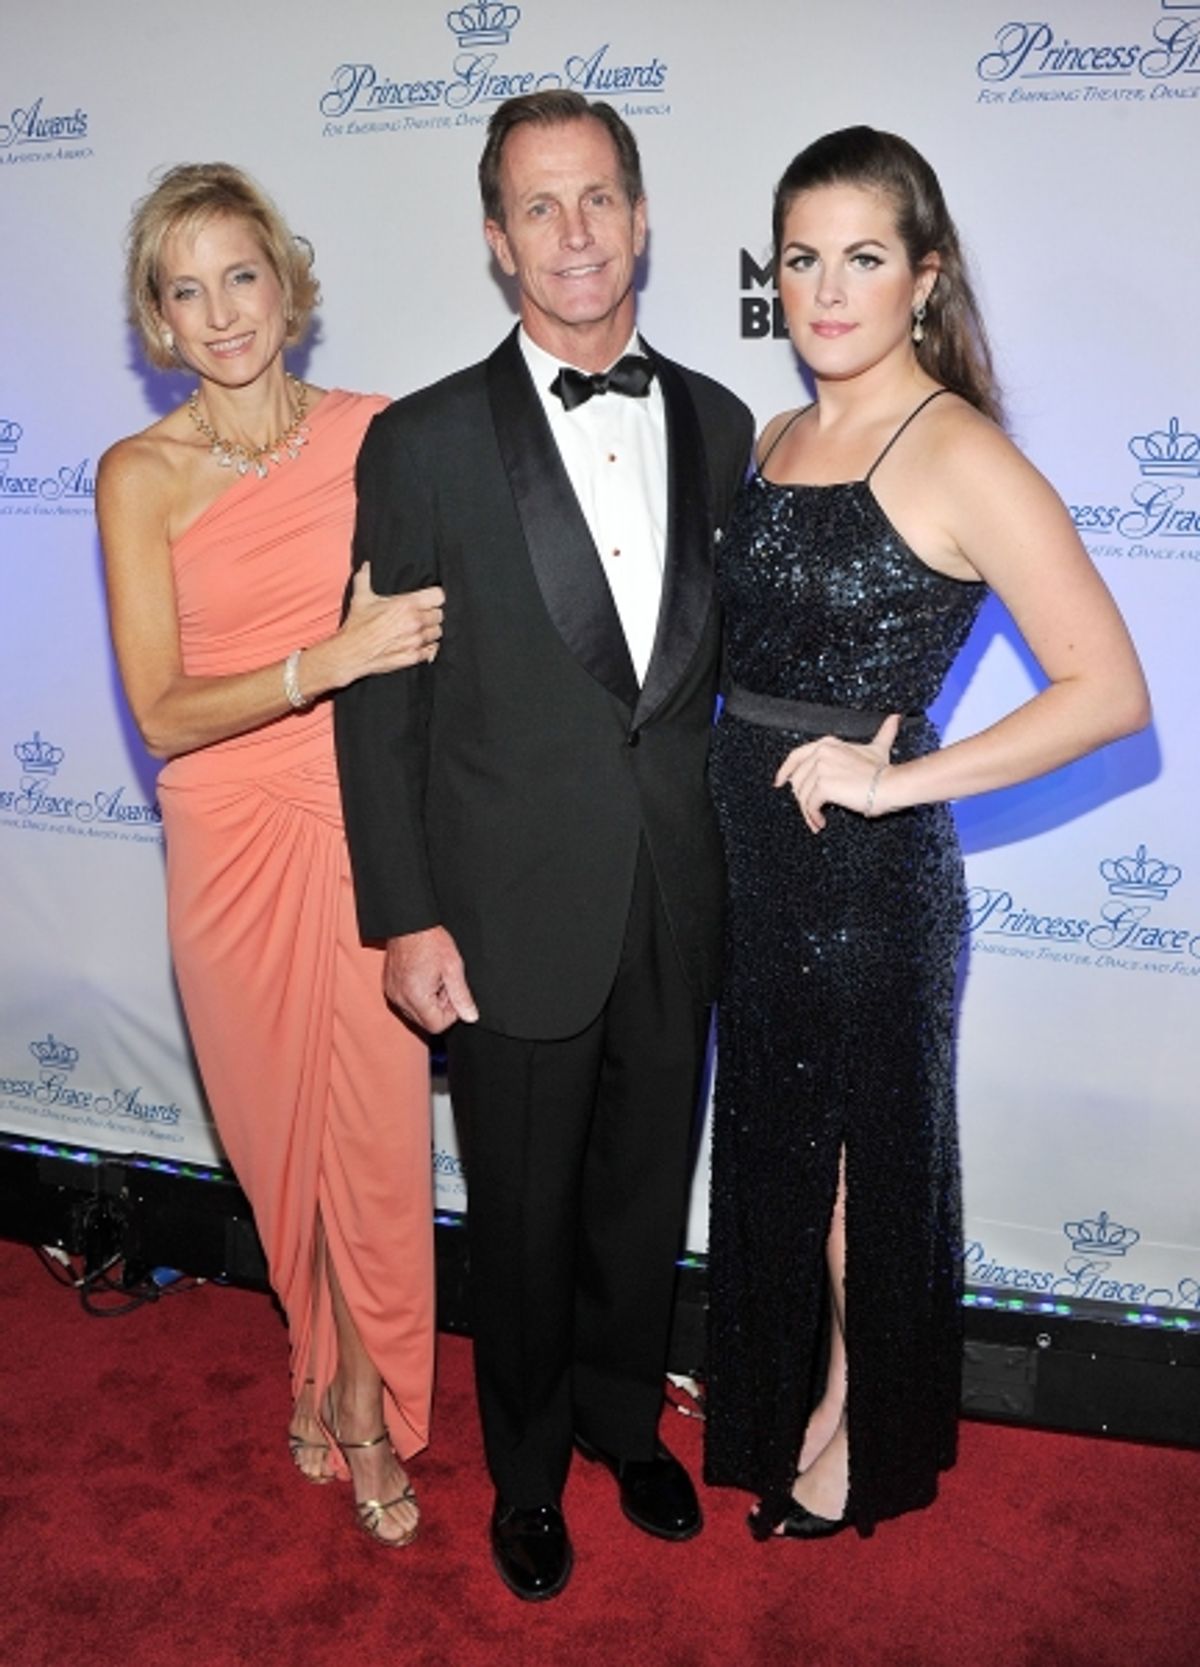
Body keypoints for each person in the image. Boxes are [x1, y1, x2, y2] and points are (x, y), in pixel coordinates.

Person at [334, 91, 753, 1599]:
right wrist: (405, 916)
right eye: (538, 206)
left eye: (598, 200)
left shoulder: (721, 422)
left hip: (679, 889)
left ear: (641, 217)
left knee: (644, 1188)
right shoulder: (423, 439)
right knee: (517, 1215)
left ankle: (624, 1424)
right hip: (503, 906)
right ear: (497, 240)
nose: (574, 233)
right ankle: (524, 1471)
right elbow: (380, 702)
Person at [703, 126, 1149, 1541]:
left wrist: (898, 785)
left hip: (864, 882)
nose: (828, 291)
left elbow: (1109, 690)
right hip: (752, 863)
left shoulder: (955, 448)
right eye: (802, 260)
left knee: (857, 1173)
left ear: (926, 276)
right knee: (782, 1148)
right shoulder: (774, 438)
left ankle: (859, 1423)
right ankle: (797, 1395)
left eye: (864, 258)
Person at [97, 163, 444, 1548]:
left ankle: (358, 1406)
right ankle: (320, 1363)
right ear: (160, 322)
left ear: (288, 286)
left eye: (241, 274)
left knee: (368, 1141)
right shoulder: (139, 476)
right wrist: (325, 660)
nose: (223, 311)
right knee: (278, 1148)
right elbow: (161, 711)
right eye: (187, 291)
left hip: (362, 827)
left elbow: (444, 630)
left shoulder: (382, 436)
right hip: (227, 841)